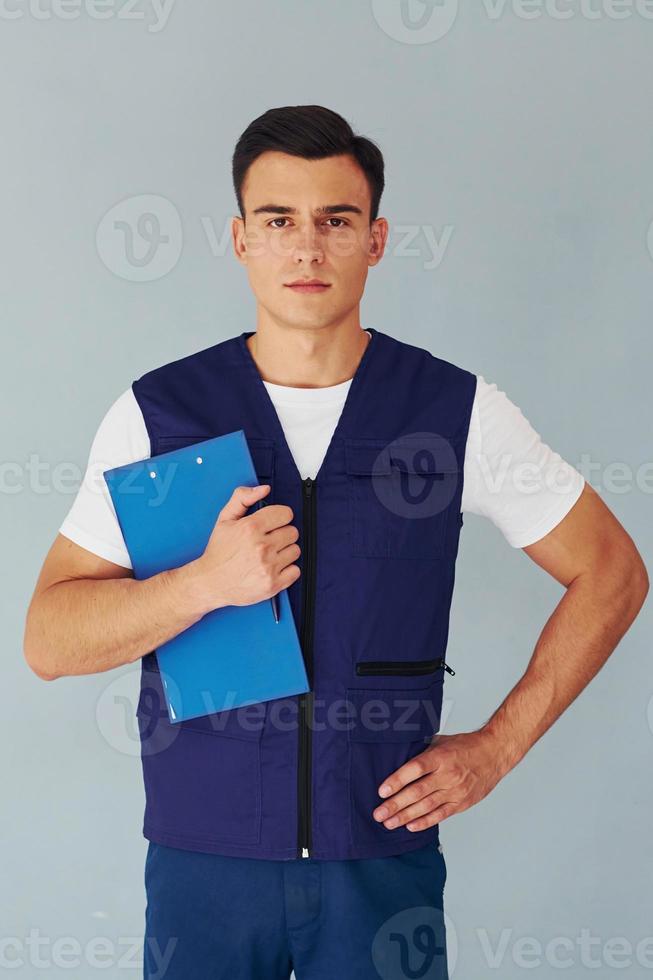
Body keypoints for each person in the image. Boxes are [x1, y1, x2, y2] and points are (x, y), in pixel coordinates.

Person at [23, 105, 648, 980]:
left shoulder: (451, 411)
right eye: (278, 221)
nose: (307, 249)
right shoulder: (160, 415)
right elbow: (48, 640)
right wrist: (202, 584)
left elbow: (613, 573)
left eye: (335, 221)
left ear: (377, 239)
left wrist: (496, 748)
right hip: (206, 864)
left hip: (379, 861)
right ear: (240, 239)